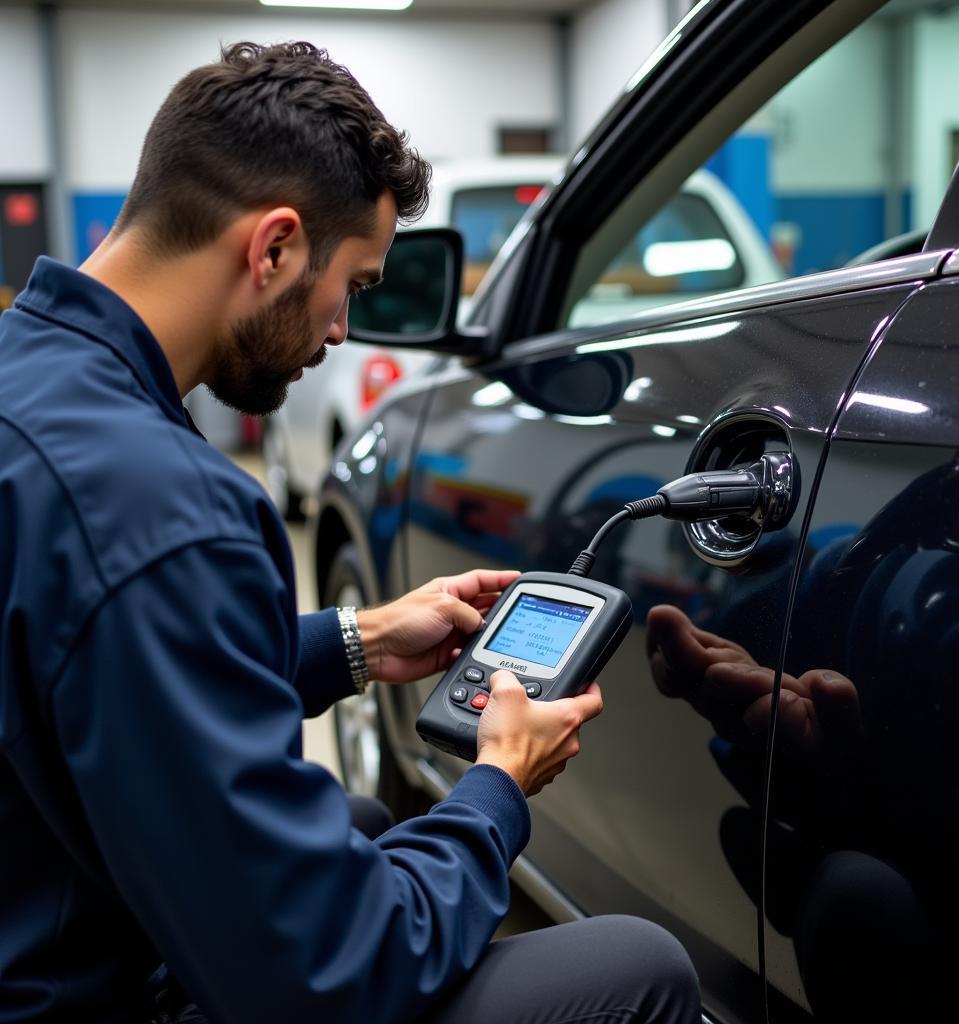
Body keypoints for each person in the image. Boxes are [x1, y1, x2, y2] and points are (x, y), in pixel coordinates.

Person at [0, 41, 700, 1024]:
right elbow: (328, 975)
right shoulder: (162, 503)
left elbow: (95, 662)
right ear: (274, 247)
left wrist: (359, 640)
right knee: (638, 968)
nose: (339, 333)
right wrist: (496, 788)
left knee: (365, 820)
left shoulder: (30, 379)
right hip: (81, 993)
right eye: (356, 286)